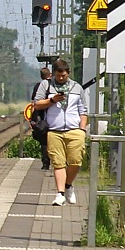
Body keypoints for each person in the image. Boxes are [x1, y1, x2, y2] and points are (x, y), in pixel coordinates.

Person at [32, 58, 88, 207]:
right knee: (58, 163)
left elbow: (83, 110)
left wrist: (82, 129)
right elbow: (36, 104)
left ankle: (68, 185)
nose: (61, 78)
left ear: (68, 73)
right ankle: (60, 194)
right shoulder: (46, 85)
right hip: (54, 130)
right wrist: (52, 100)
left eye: (64, 75)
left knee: (76, 161)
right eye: (58, 75)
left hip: (74, 130)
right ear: (54, 74)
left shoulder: (77, 87)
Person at [28, 66, 51, 169]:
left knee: (44, 141)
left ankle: (45, 163)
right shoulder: (55, 85)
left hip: (41, 117)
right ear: (50, 74)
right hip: (53, 116)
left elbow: (34, 103)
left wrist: (32, 118)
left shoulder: (38, 86)